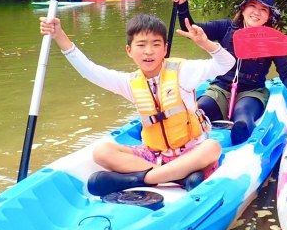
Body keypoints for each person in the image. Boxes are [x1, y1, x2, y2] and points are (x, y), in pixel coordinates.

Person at [39, 13, 235, 193]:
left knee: (212, 148)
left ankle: (141, 179)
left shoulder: (183, 71)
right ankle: (177, 177)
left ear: (165, 48)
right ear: (129, 50)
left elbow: (227, 63)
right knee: (101, 152)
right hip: (155, 156)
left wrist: (205, 43)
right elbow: (90, 71)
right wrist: (60, 36)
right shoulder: (130, 83)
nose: (148, 52)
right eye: (141, 45)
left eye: (156, 44)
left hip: (191, 151)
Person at [171, 0, 287, 145]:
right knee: (197, 113)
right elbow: (191, 28)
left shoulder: (271, 40)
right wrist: (182, 6)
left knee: (242, 119)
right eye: (253, 6)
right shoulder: (225, 27)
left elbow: (286, 72)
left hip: (252, 92)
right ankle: (185, 152)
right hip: (220, 88)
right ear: (243, 9)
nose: (257, 12)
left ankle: (239, 154)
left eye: (263, 9)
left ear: (268, 17)